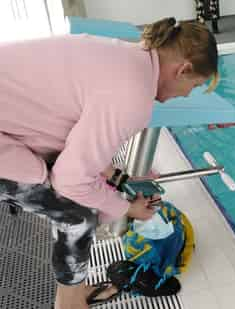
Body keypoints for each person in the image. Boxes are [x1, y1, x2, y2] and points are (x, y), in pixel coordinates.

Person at [0, 17, 218, 309]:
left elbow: (71, 131)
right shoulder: (133, 95)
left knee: (83, 195)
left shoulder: (128, 57)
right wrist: (127, 209)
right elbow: (70, 179)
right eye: (194, 85)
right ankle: (69, 304)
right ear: (184, 69)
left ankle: (74, 291)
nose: (187, 94)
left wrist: (118, 180)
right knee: (78, 215)